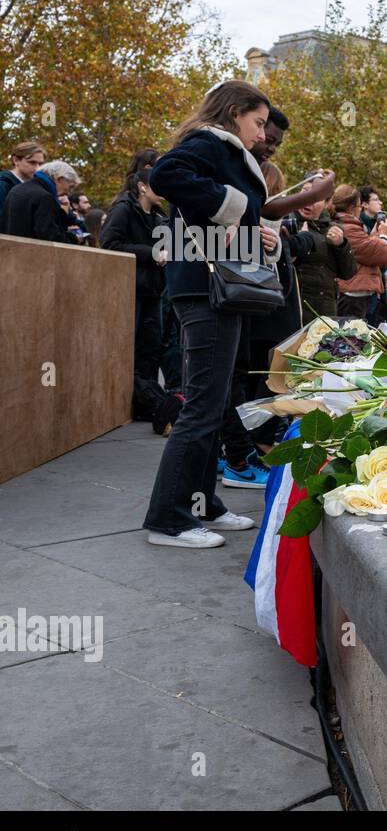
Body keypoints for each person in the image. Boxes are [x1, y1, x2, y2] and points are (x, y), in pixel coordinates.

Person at [142, 80, 280, 548]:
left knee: (215, 402)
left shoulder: (224, 149)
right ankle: (169, 519)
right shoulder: (209, 142)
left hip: (217, 287)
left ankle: (201, 504)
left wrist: (254, 228)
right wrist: (235, 206)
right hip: (205, 287)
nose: (262, 134)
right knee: (202, 405)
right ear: (234, 112)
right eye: (258, 122)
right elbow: (165, 176)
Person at [101, 167, 181, 433]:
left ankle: (145, 404)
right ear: (142, 187)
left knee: (150, 348)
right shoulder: (123, 210)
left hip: (153, 291)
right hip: (131, 290)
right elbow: (109, 245)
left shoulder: (158, 215)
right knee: (130, 350)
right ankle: (141, 403)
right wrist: (151, 253)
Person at [286, 196, 354, 320]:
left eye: (316, 198)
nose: (309, 201)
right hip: (294, 307)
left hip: (325, 309)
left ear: (327, 203)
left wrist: (341, 245)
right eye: (306, 192)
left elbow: (349, 273)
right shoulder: (286, 221)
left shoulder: (332, 228)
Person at [332, 185, 387, 320]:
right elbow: (382, 255)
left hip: (353, 292)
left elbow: (364, 249)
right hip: (352, 293)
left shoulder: (347, 225)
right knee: (351, 337)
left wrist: (373, 236)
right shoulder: (348, 227)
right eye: (359, 207)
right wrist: (383, 236)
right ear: (352, 207)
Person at [2, 159, 80, 242]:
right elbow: (50, 237)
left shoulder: (16, 189)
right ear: (59, 179)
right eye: (70, 187)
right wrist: (73, 238)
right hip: (30, 252)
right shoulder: (45, 197)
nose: (69, 192)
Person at [0, 140, 45, 216]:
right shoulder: (2, 186)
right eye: (32, 162)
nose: (38, 168)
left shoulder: (38, 187)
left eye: (40, 164)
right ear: (16, 160)